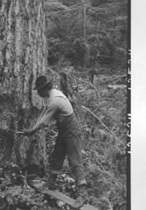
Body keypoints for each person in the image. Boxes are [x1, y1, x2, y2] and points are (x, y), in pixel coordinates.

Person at [22, 76, 87, 206]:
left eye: (39, 90)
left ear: (44, 89)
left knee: (74, 161)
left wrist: (32, 131)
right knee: (56, 157)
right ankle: (51, 184)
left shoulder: (55, 101)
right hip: (64, 130)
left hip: (72, 130)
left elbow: (44, 121)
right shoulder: (52, 96)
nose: (38, 93)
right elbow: (43, 114)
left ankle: (82, 194)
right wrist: (32, 127)